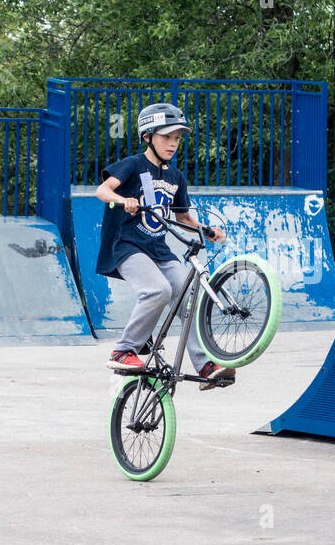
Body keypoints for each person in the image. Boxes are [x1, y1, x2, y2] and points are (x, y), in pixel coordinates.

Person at [94, 102, 236, 390]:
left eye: (177, 138)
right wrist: (124, 201)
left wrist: (205, 230)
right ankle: (124, 349)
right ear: (147, 136)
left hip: (158, 248)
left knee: (188, 295)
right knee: (158, 290)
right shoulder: (133, 165)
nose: (173, 144)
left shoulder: (175, 176)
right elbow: (103, 190)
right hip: (128, 245)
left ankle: (205, 364)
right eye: (166, 137)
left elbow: (182, 216)